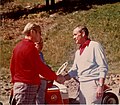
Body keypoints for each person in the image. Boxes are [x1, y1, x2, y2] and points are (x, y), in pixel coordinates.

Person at [10, 22, 64, 105]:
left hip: (19, 85)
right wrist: (55, 77)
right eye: (39, 33)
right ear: (32, 32)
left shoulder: (18, 46)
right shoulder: (30, 48)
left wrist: (15, 82)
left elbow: (12, 67)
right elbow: (40, 67)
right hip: (27, 86)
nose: (40, 36)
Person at [64, 25, 108, 104]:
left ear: (83, 33)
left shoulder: (94, 46)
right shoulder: (78, 52)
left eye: (75, 34)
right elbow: (74, 71)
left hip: (93, 84)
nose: (73, 37)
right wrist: (62, 78)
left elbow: (103, 67)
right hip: (82, 86)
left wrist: (100, 86)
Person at [35, 40, 48, 104]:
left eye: (41, 43)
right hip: (37, 80)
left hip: (43, 80)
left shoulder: (41, 54)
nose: (41, 45)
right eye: (38, 44)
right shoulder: (33, 55)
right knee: (38, 99)